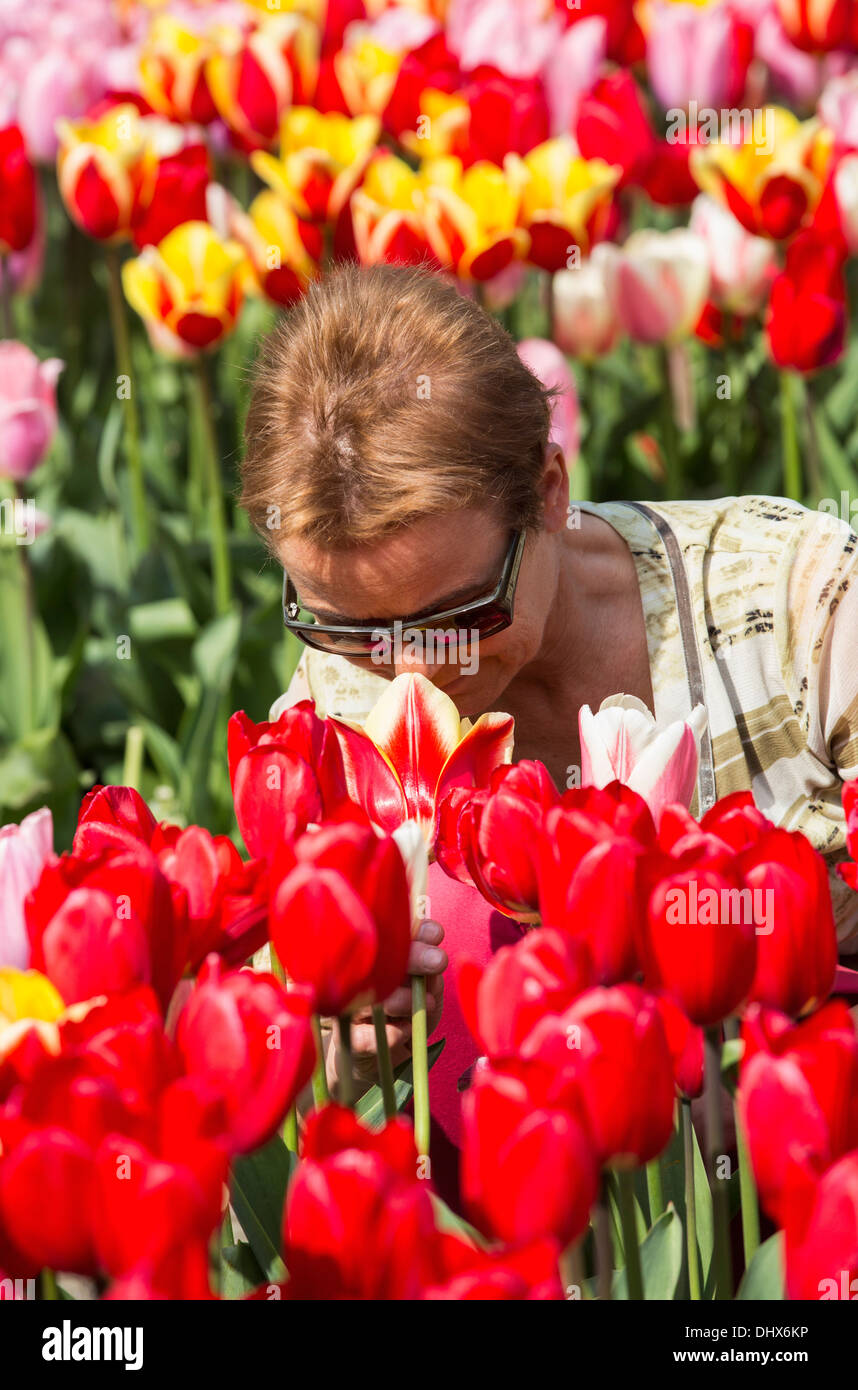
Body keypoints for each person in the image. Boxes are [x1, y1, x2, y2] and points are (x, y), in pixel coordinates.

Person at [240, 261, 858, 1207]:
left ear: (550, 490)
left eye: (460, 613)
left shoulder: (801, 609)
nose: (413, 675)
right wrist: (345, 1048)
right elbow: (300, 1061)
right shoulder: (326, 725)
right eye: (353, 628)